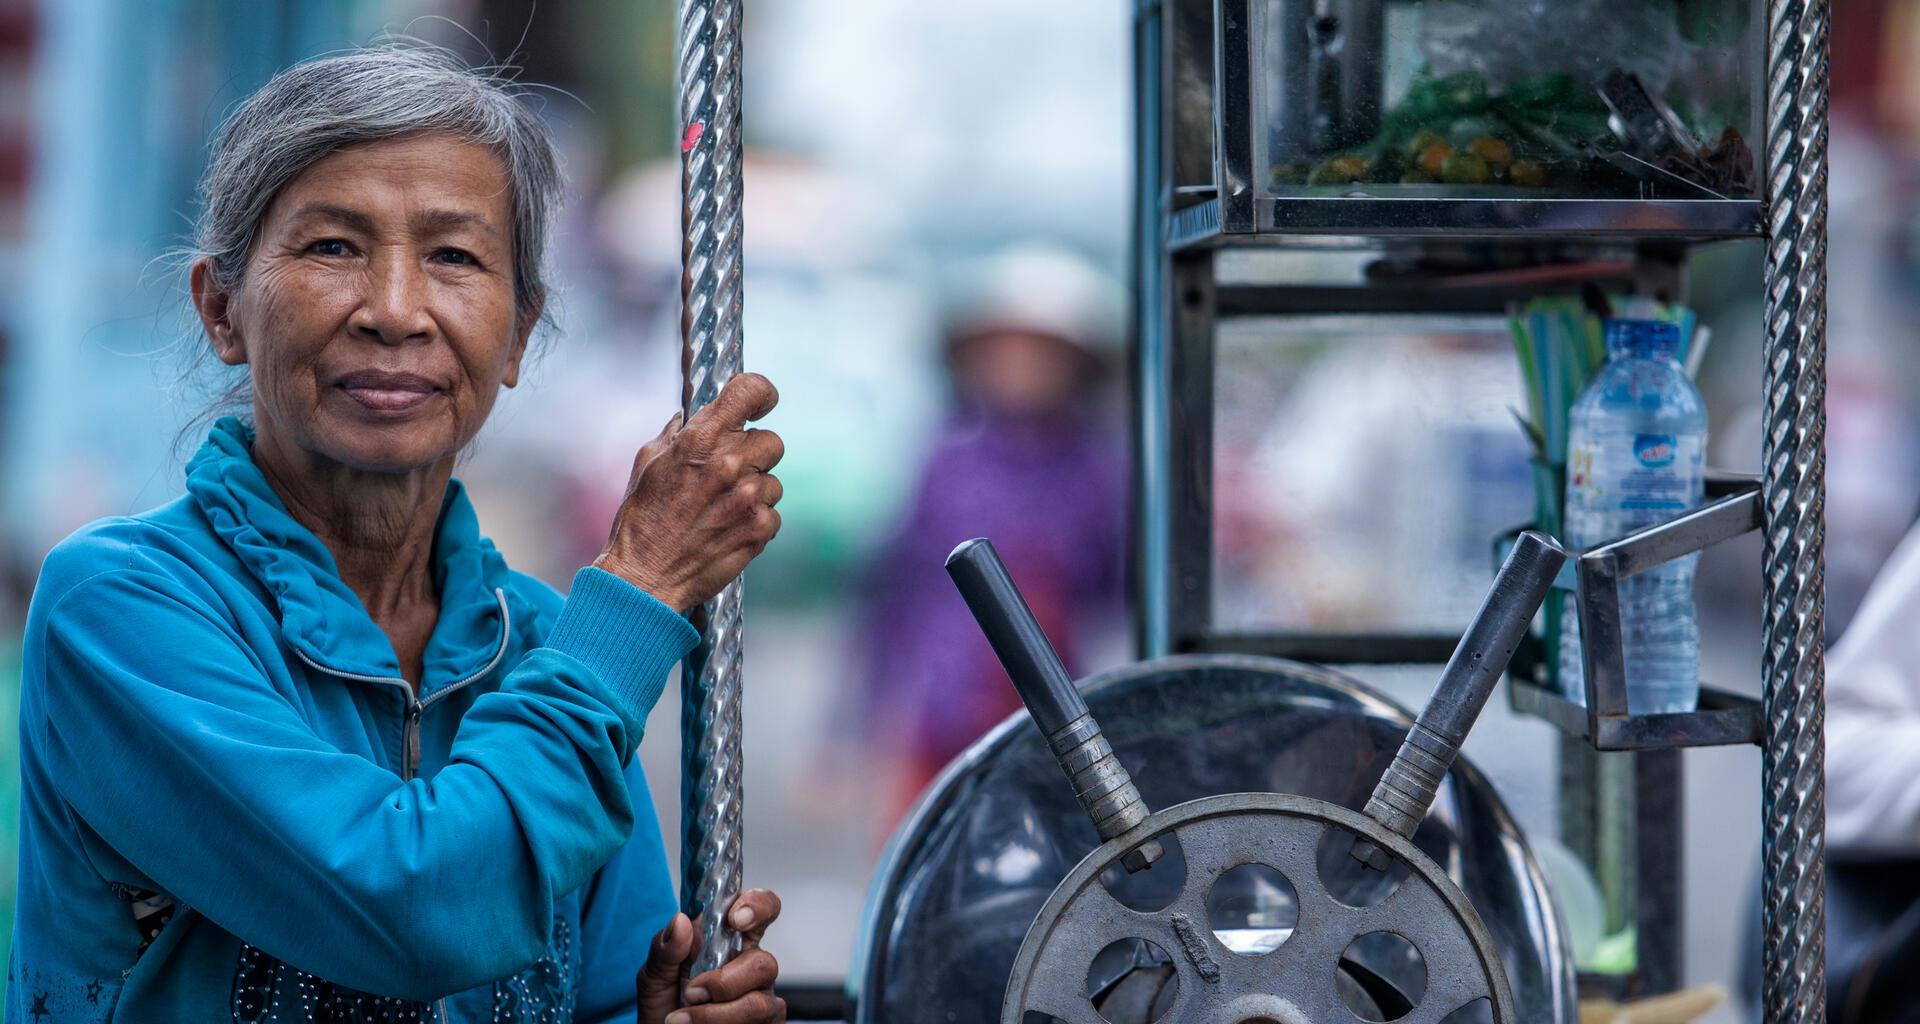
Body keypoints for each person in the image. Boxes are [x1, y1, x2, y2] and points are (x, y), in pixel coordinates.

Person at [8, 46, 787, 1024]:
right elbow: (412, 909)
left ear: (517, 335)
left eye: (454, 257)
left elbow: (595, 996)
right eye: (333, 247)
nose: (394, 311)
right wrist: (635, 592)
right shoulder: (121, 607)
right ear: (221, 308)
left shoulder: (543, 646)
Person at [860, 246, 1125, 819]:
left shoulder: (1099, 470)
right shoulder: (946, 460)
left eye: (1043, 354)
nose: (1022, 367)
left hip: (1054, 720)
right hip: (943, 715)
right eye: (1006, 350)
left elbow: (1117, 587)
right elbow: (888, 591)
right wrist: (851, 722)